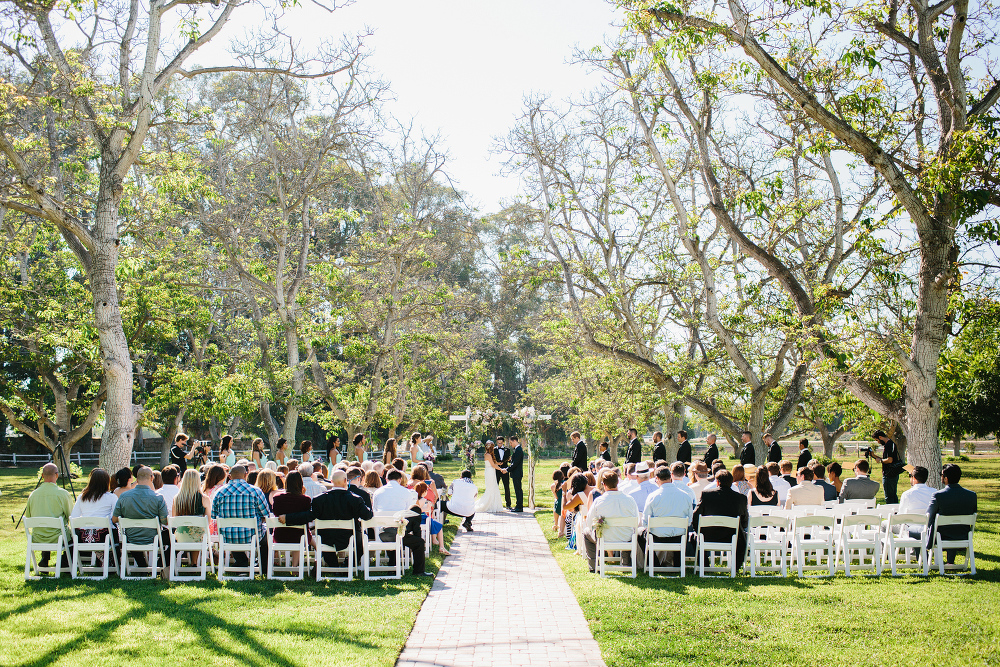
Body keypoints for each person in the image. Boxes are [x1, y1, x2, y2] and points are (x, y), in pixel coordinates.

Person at [280, 469, 374, 568]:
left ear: (332, 481)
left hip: (326, 538)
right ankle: (349, 564)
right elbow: (368, 516)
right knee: (363, 538)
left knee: (323, 537)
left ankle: (334, 565)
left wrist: (288, 518)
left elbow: (308, 516)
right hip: (349, 538)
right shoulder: (356, 499)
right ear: (346, 481)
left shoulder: (319, 499)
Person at [211, 464, 270, 568]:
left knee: (233, 533)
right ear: (245, 475)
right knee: (265, 536)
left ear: (229, 476)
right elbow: (266, 514)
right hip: (252, 536)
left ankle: (242, 561)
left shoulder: (219, 493)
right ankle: (263, 566)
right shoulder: (255, 491)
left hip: (227, 537)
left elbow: (214, 515)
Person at [583, 470, 640, 573]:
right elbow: (637, 520)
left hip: (605, 537)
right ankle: (626, 564)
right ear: (618, 482)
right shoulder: (630, 500)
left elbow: (589, 522)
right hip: (626, 537)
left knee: (586, 532)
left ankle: (594, 566)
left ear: (604, 485)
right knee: (626, 533)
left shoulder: (599, 501)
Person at [692, 469, 749, 570]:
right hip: (733, 536)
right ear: (731, 483)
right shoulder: (741, 498)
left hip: (708, 535)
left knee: (694, 537)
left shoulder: (707, 495)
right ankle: (736, 567)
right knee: (743, 537)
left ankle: (704, 565)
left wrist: (699, 531)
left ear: (717, 482)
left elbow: (696, 516)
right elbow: (744, 521)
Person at [113, 466, 169, 568]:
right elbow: (165, 521)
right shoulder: (158, 498)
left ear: (137, 479)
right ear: (152, 478)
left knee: (131, 537)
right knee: (174, 538)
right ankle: (160, 564)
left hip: (131, 537)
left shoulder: (124, 497)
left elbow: (114, 519)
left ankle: (142, 565)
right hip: (152, 538)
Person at [638, 465, 693, 567]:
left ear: (657, 479)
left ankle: (654, 563)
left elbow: (645, 521)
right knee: (680, 531)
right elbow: (689, 521)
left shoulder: (652, 496)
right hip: (679, 536)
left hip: (657, 537)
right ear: (670, 477)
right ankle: (677, 564)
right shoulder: (685, 496)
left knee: (639, 533)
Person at [926, 464, 977, 564]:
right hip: (963, 535)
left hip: (940, 536)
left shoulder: (938, 495)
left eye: (941, 475)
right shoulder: (971, 495)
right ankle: (950, 562)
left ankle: (926, 560)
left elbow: (928, 516)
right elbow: (973, 512)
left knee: (925, 529)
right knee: (952, 527)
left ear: (945, 478)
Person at [27, 463, 73, 567]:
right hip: (58, 537)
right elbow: (71, 516)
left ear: (42, 476)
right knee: (73, 535)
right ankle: (65, 560)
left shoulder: (33, 494)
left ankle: (45, 558)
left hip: (38, 537)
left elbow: (29, 517)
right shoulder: (63, 494)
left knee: (45, 528)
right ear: (57, 475)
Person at [270, 471, 313, 564]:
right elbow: (304, 517)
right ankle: (295, 567)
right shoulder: (305, 499)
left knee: (298, 533)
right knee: (299, 533)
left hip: (280, 535)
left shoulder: (277, 497)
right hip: (299, 536)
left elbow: (276, 513)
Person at [71, 468, 118, 546]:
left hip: (83, 537)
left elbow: (74, 517)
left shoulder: (82, 497)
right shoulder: (112, 497)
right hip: (104, 537)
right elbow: (116, 517)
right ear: (107, 482)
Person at [172, 469, 210, 560]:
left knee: (191, 531)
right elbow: (208, 521)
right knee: (197, 530)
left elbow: (174, 519)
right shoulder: (204, 498)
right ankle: (194, 563)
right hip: (198, 537)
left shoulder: (177, 498)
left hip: (181, 535)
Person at [868, 429, 903, 504]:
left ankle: (891, 511)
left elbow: (889, 460)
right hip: (894, 473)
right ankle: (895, 511)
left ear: (880, 437)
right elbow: (887, 460)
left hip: (889, 474)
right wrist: (874, 456)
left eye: (877, 440)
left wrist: (880, 461)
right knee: (893, 495)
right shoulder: (891, 443)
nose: (878, 442)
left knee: (889, 497)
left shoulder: (888, 445)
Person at [415, 481, 449, 555]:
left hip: (419, 518)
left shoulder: (414, 498)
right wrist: (427, 508)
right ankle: (441, 547)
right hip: (422, 518)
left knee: (436, 524)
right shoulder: (423, 500)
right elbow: (418, 510)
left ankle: (439, 545)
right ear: (424, 491)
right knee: (439, 526)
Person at [475, 441, 508, 513]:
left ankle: (493, 505)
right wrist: (501, 469)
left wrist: (499, 463)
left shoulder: (489, 454)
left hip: (491, 472)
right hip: (490, 472)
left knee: (494, 487)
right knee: (491, 488)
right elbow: (493, 465)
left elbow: (494, 463)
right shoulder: (487, 455)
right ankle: (488, 505)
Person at [494, 438, 512, 508]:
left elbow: (509, 460)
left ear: (503, 443)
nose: (499, 444)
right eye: (498, 443)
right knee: (495, 486)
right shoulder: (494, 450)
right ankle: (495, 503)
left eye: (501, 443)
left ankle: (508, 504)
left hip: (505, 470)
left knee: (506, 487)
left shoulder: (507, 450)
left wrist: (508, 460)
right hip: (496, 470)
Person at [508, 436, 525, 512]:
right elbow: (514, 461)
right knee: (517, 490)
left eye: (511, 443)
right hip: (516, 473)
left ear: (515, 441)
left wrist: (507, 469)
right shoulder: (517, 450)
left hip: (517, 473)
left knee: (518, 490)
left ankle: (519, 506)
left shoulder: (518, 450)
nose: (510, 445)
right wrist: (510, 460)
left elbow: (515, 463)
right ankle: (518, 505)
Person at [551, 469, 566, 534]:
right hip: (564, 502)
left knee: (556, 502)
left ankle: (556, 523)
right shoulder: (565, 483)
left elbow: (556, 497)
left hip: (558, 505)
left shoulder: (553, 486)